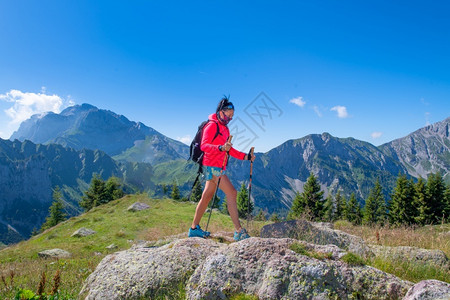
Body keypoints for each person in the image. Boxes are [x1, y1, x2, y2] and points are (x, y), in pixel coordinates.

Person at [189, 96, 255, 241]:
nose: (230, 118)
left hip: (216, 166)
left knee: (206, 197)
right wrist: (220, 147)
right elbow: (204, 145)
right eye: (228, 115)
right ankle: (238, 231)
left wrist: (246, 157)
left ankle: (194, 229)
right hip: (212, 166)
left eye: (232, 116)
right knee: (232, 192)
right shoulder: (212, 125)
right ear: (220, 112)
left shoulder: (225, 128)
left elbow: (228, 150)